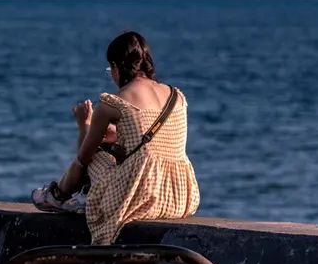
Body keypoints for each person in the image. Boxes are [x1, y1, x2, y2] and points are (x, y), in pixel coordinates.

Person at [32, 30, 200, 242]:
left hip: (137, 198)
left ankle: (57, 196)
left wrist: (84, 123)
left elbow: (84, 157)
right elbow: (147, 144)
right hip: (180, 197)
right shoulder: (178, 97)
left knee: (94, 156)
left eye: (110, 68)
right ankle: (78, 195)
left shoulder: (113, 102)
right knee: (115, 151)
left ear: (116, 66)